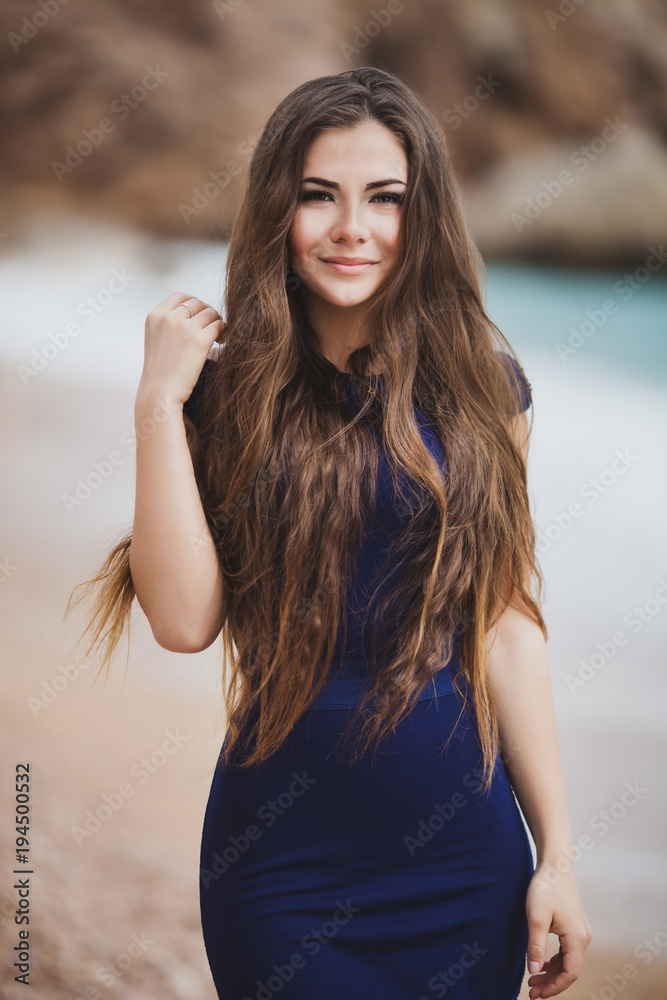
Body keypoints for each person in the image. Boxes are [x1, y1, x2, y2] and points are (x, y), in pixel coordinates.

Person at [67, 66, 592, 999]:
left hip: (464, 859)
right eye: (319, 195)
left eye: (384, 198)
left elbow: (506, 622)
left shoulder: (485, 390)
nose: (352, 227)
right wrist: (157, 402)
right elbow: (185, 622)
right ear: (278, 208)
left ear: (421, 215)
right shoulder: (219, 397)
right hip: (280, 864)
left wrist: (556, 856)